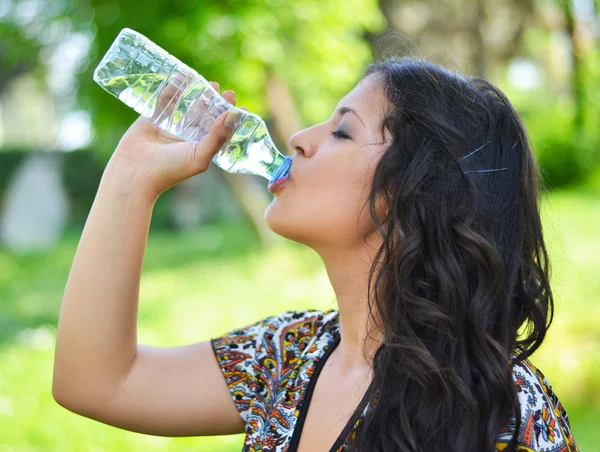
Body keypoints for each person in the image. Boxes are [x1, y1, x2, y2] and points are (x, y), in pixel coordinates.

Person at [52, 56, 579, 452]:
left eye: (342, 130)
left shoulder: (504, 413)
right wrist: (130, 179)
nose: (300, 139)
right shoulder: (289, 354)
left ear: (417, 191)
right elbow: (97, 381)